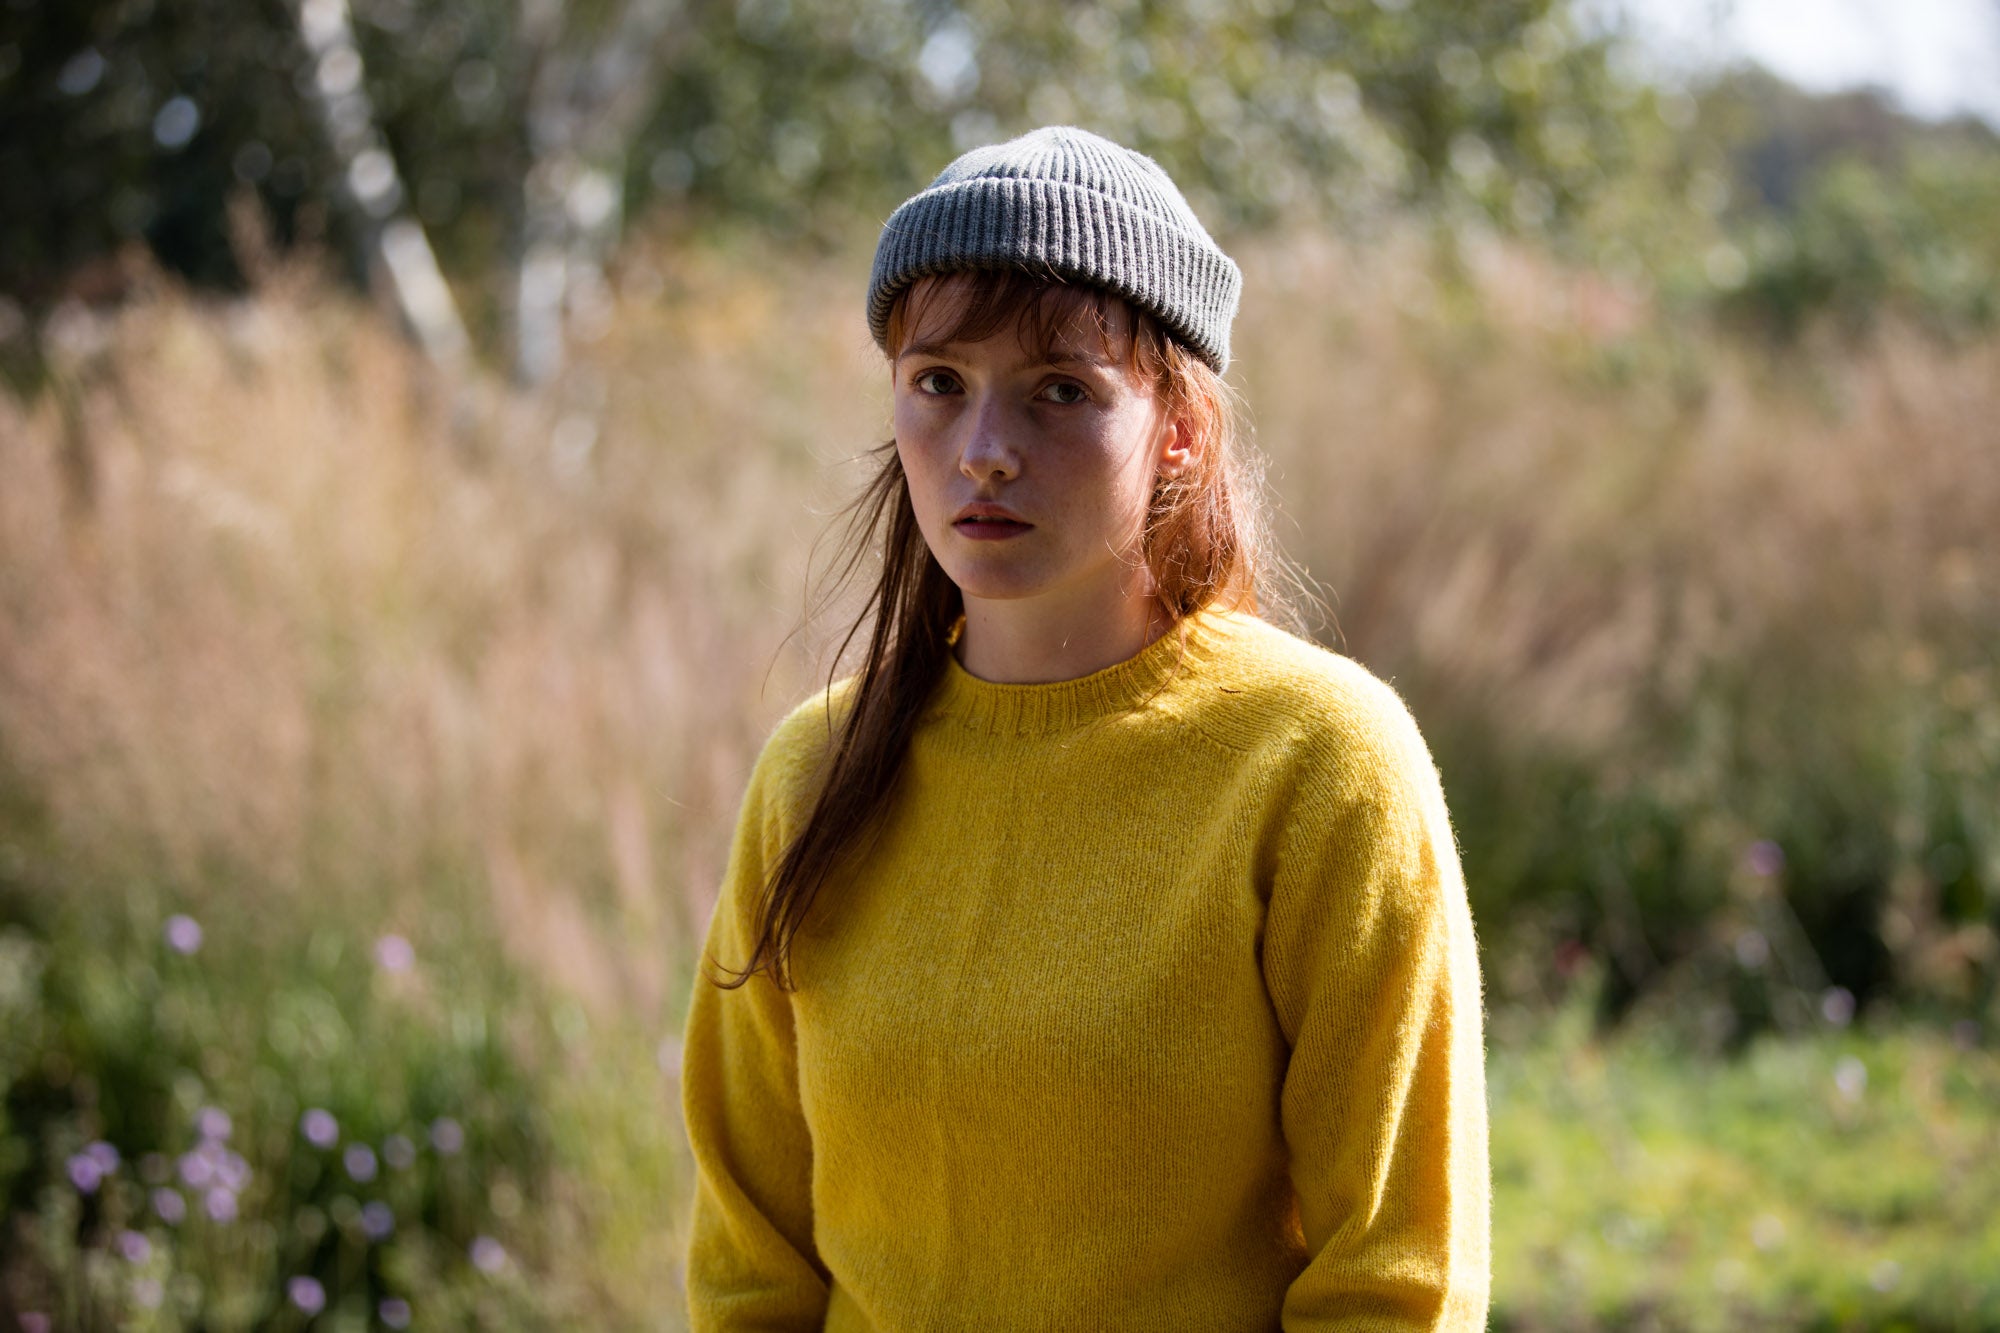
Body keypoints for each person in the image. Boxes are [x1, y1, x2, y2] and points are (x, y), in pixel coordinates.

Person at [679, 125, 1490, 1331]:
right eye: (937, 384)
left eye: (1061, 391)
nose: (984, 452)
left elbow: (1395, 1280)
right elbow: (752, 1266)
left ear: (1180, 426)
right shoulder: (815, 772)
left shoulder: (1317, 762)